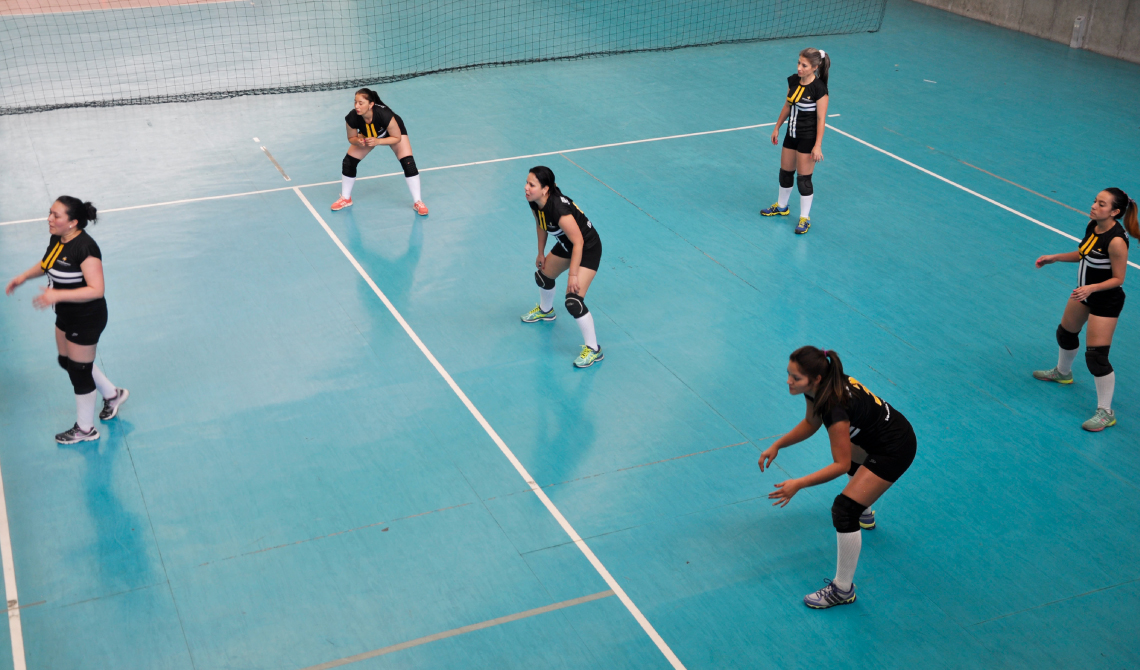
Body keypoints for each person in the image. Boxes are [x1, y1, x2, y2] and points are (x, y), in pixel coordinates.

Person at [759, 347, 916, 609]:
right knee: (853, 450)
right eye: (789, 374)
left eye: (795, 378)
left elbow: (841, 465)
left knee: (844, 511)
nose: (788, 381)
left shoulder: (834, 407)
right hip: (874, 435)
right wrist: (778, 444)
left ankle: (843, 589)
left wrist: (798, 483)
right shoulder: (821, 385)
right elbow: (811, 423)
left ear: (815, 378)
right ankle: (863, 506)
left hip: (894, 447)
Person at [5, 197, 128, 444]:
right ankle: (112, 394)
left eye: (56, 216)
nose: (49, 219)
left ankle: (85, 429)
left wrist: (57, 293)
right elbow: (47, 263)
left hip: (87, 317)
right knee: (66, 361)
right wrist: (23, 277)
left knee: (79, 371)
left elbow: (97, 289)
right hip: (66, 313)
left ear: (72, 222)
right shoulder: (58, 239)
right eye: (50, 213)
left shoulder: (86, 248)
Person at [1033, 188, 1136, 431]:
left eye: (1102, 204)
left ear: (1115, 212)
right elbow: (1084, 253)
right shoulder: (1093, 226)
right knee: (1065, 334)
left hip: (1105, 300)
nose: (1094, 206)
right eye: (1095, 201)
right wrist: (1055, 257)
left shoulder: (1117, 240)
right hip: (1084, 292)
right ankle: (1063, 373)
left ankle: (1106, 411)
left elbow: (1119, 278)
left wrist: (1091, 289)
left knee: (1097, 358)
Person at [520, 166, 604, 368]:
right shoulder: (536, 202)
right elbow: (541, 225)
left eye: (532, 185)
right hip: (568, 246)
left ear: (545, 189)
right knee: (543, 276)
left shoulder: (558, 209)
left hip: (587, 248)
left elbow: (579, 242)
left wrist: (573, 275)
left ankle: (593, 349)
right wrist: (541, 252)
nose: (526, 188)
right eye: (527, 183)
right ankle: (546, 310)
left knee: (573, 301)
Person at [760, 48, 830, 235]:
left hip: (808, 139)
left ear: (815, 67)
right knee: (785, 174)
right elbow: (787, 105)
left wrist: (818, 145)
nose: (799, 67)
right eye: (799, 63)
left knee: (803, 181)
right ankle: (782, 206)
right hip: (791, 135)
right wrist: (777, 127)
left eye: (804, 65)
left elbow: (821, 119)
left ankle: (805, 218)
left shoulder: (819, 89)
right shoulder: (792, 81)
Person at [330, 88, 428, 215]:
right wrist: (357, 141)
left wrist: (377, 141)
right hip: (368, 134)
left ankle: (418, 202)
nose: (357, 106)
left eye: (361, 103)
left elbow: (397, 138)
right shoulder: (352, 117)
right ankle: (346, 198)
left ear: (371, 104)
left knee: (408, 162)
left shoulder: (385, 115)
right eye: (355, 102)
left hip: (392, 134)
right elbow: (351, 138)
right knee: (348, 162)